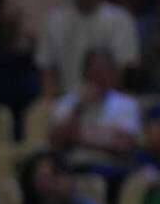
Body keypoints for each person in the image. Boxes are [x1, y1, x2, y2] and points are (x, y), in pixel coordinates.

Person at [35, 0, 139, 95]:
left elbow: (124, 69)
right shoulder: (54, 20)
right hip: (66, 102)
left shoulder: (120, 19)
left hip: (108, 103)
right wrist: (55, 105)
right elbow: (47, 70)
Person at [49, 49, 141, 187]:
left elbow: (124, 146)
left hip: (112, 170)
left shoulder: (127, 104)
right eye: (95, 71)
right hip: (73, 168)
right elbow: (56, 142)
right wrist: (79, 108)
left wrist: (79, 137)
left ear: (112, 73)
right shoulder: (66, 103)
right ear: (85, 73)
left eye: (104, 71)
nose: (100, 77)